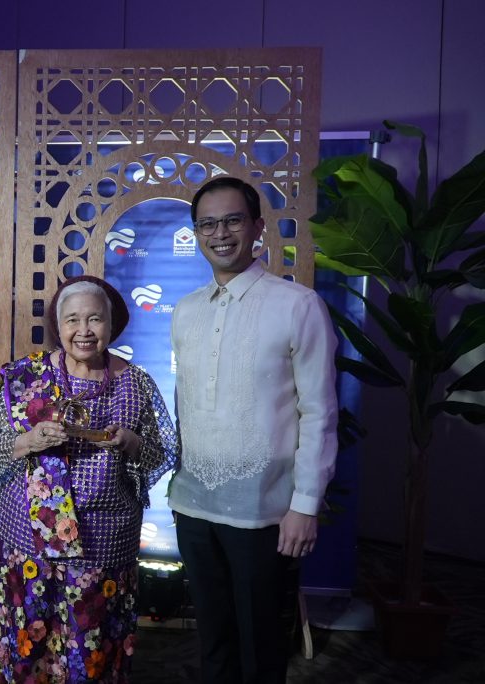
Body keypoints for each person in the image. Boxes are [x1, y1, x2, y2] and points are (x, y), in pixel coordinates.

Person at [170, 176, 338, 683]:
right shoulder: (185, 310)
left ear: (257, 227)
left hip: (266, 513)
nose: (220, 233)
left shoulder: (297, 305)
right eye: (207, 224)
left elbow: (321, 412)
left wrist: (305, 506)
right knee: (213, 640)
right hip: (193, 506)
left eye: (232, 220)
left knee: (262, 647)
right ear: (197, 233)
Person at [0, 275, 179, 683]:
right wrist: (30, 439)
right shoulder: (27, 376)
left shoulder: (134, 384)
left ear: (111, 324)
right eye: (72, 321)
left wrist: (133, 443)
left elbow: (163, 453)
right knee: (23, 636)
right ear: (58, 326)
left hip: (102, 543)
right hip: (26, 537)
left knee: (89, 644)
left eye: (94, 320)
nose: (83, 331)